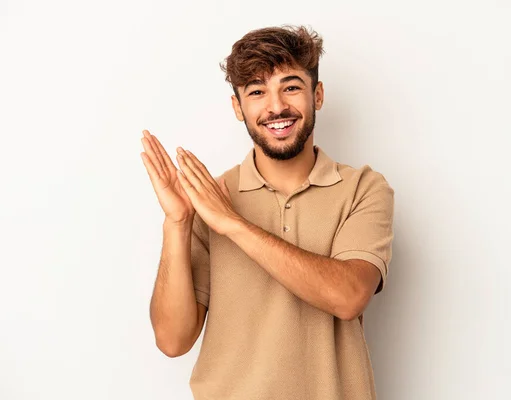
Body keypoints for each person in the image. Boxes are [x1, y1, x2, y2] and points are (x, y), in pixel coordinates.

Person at [140, 25, 395, 400]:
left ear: (317, 95)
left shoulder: (363, 188)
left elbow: (349, 296)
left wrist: (234, 224)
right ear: (237, 107)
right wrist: (178, 223)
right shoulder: (211, 199)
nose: (276, 107)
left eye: (290, 87)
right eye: (257, 92)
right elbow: (173, 340)